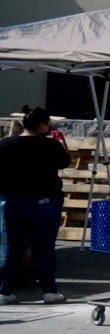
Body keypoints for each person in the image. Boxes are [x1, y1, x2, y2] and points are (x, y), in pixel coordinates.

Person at [0, 107, 72, 304]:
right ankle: (49, 291)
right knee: (44, 247)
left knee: (12, 248)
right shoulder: (51, 146)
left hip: (12, 202)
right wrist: (60, 140)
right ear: (41, 126)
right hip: (44, 202)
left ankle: (4, 291)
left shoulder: (5, 145)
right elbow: (65, 162)